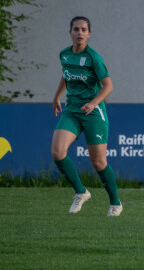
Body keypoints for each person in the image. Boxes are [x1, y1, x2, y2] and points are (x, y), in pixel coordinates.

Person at [51, 16, 123, 216]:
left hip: (93, 112)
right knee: (57, 152)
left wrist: (93, 102)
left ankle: (115, 203)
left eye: (83, 29)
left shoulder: (93, 57)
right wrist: (57, 96)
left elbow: (108, 86)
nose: (80, 33)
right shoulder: (64, 55)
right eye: (76, 29)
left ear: (89, 34)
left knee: (98, 162)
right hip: (72, 109)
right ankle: (81, 192)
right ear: (70, 33)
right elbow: (66, 75)